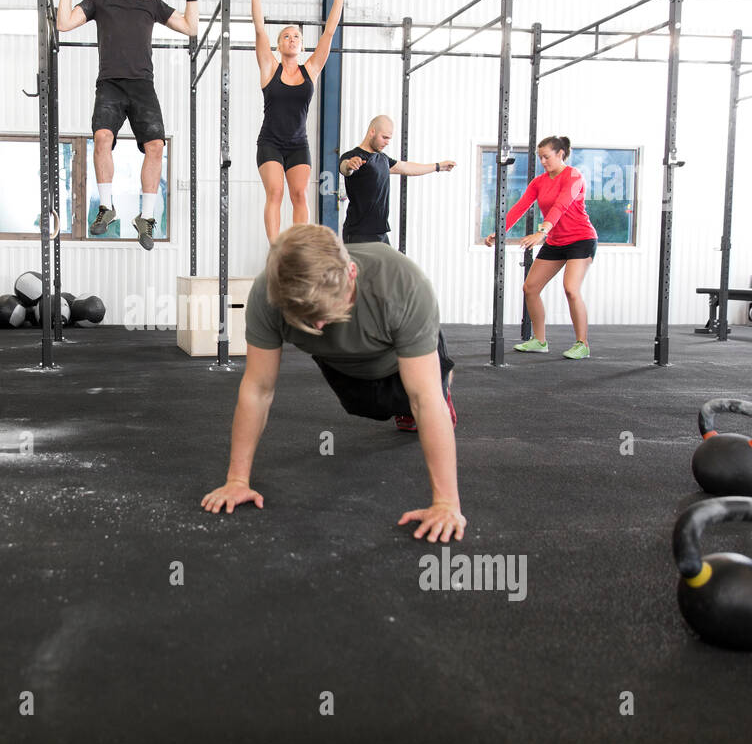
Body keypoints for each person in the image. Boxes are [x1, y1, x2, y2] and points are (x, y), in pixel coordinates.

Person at [200, 225, 465, 544]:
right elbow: (258, 389)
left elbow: (424, 398)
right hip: (342, 362)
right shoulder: (268, 294)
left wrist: (447, 503)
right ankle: (397, 399)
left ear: (351, 273)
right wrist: (236, 479)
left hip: (399, 353)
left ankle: (442, 374)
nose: (320, 324)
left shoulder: (402, 285)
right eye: (307, 317)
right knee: (366, 406)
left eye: (327, 310)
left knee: (420, 397)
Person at [57, 0, 200, 250]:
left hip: (142, 86)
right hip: (110, 83)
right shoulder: (100, 0)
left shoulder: (150, 3)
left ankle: (146, 218)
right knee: (101, 138)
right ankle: (106, 208)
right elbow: (64, 23)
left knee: (156, 146)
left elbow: (191, 28)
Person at [251, 0, 347, 242]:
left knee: (300, 194)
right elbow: (259, 29)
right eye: (286, 36)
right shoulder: (269, 67)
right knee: (276, 193)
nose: (291, 39)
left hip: (297, 143)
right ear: (279, 45)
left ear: (302, 46)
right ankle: (275, 250)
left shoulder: (310, 70)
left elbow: (328, 33)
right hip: (270, 141)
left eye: (296, 37)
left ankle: (297, 248)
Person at [486, 135, 597, 359]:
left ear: (560, 154)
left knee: (571, 289)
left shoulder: (573, 176)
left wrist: (541, 232)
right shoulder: (539, 182)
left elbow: (561, 205)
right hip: (556, 241)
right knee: (530, 288)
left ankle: (582, 344)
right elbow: (519, 207)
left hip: (580, 240)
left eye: (546, 157)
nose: (543, 161)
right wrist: (499, 232)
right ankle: (539, 340)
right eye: (540, 158)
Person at [340, 115, 456, 245]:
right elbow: (344, 167)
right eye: (384, 137)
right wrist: (350, 165)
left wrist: (438, 166)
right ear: (372, 132)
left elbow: (406, 167)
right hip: (358, 233)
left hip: (380, 233)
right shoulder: (354, 156)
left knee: (390, 265)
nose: (387, 142)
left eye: (389, 139)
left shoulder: (383, 159)